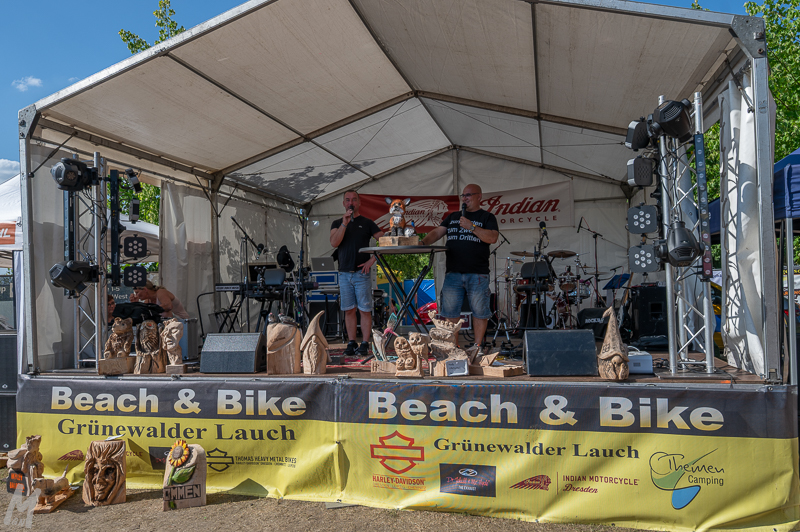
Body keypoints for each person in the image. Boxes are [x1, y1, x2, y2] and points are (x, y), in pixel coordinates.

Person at [422, 184, 498, 352]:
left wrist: (471, 227)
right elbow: (437, 232)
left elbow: (492, 238)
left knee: (480, 311)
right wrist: (423, 242)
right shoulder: (453, 217)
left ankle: (477, 347)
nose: (465, 198)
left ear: (479, 196)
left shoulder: (487, 217)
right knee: (450, 312)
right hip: (453, 273)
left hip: (477, 273)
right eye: (463, 195)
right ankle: (453, 348)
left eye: (468, 195)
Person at [330, 190, 384, 357]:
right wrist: (344, 224)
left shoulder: (367, 223)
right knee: (348, 310)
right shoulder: (337, 223)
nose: (351, 203)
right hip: (344, 273)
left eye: (354, 200)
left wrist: (372, 259)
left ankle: (365, 343)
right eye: (347, 200)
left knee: (365, 310)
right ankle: (352, 342)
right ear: (343, 203)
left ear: (359, 203)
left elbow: (384, 241)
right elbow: (334, 242)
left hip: (362, 273)